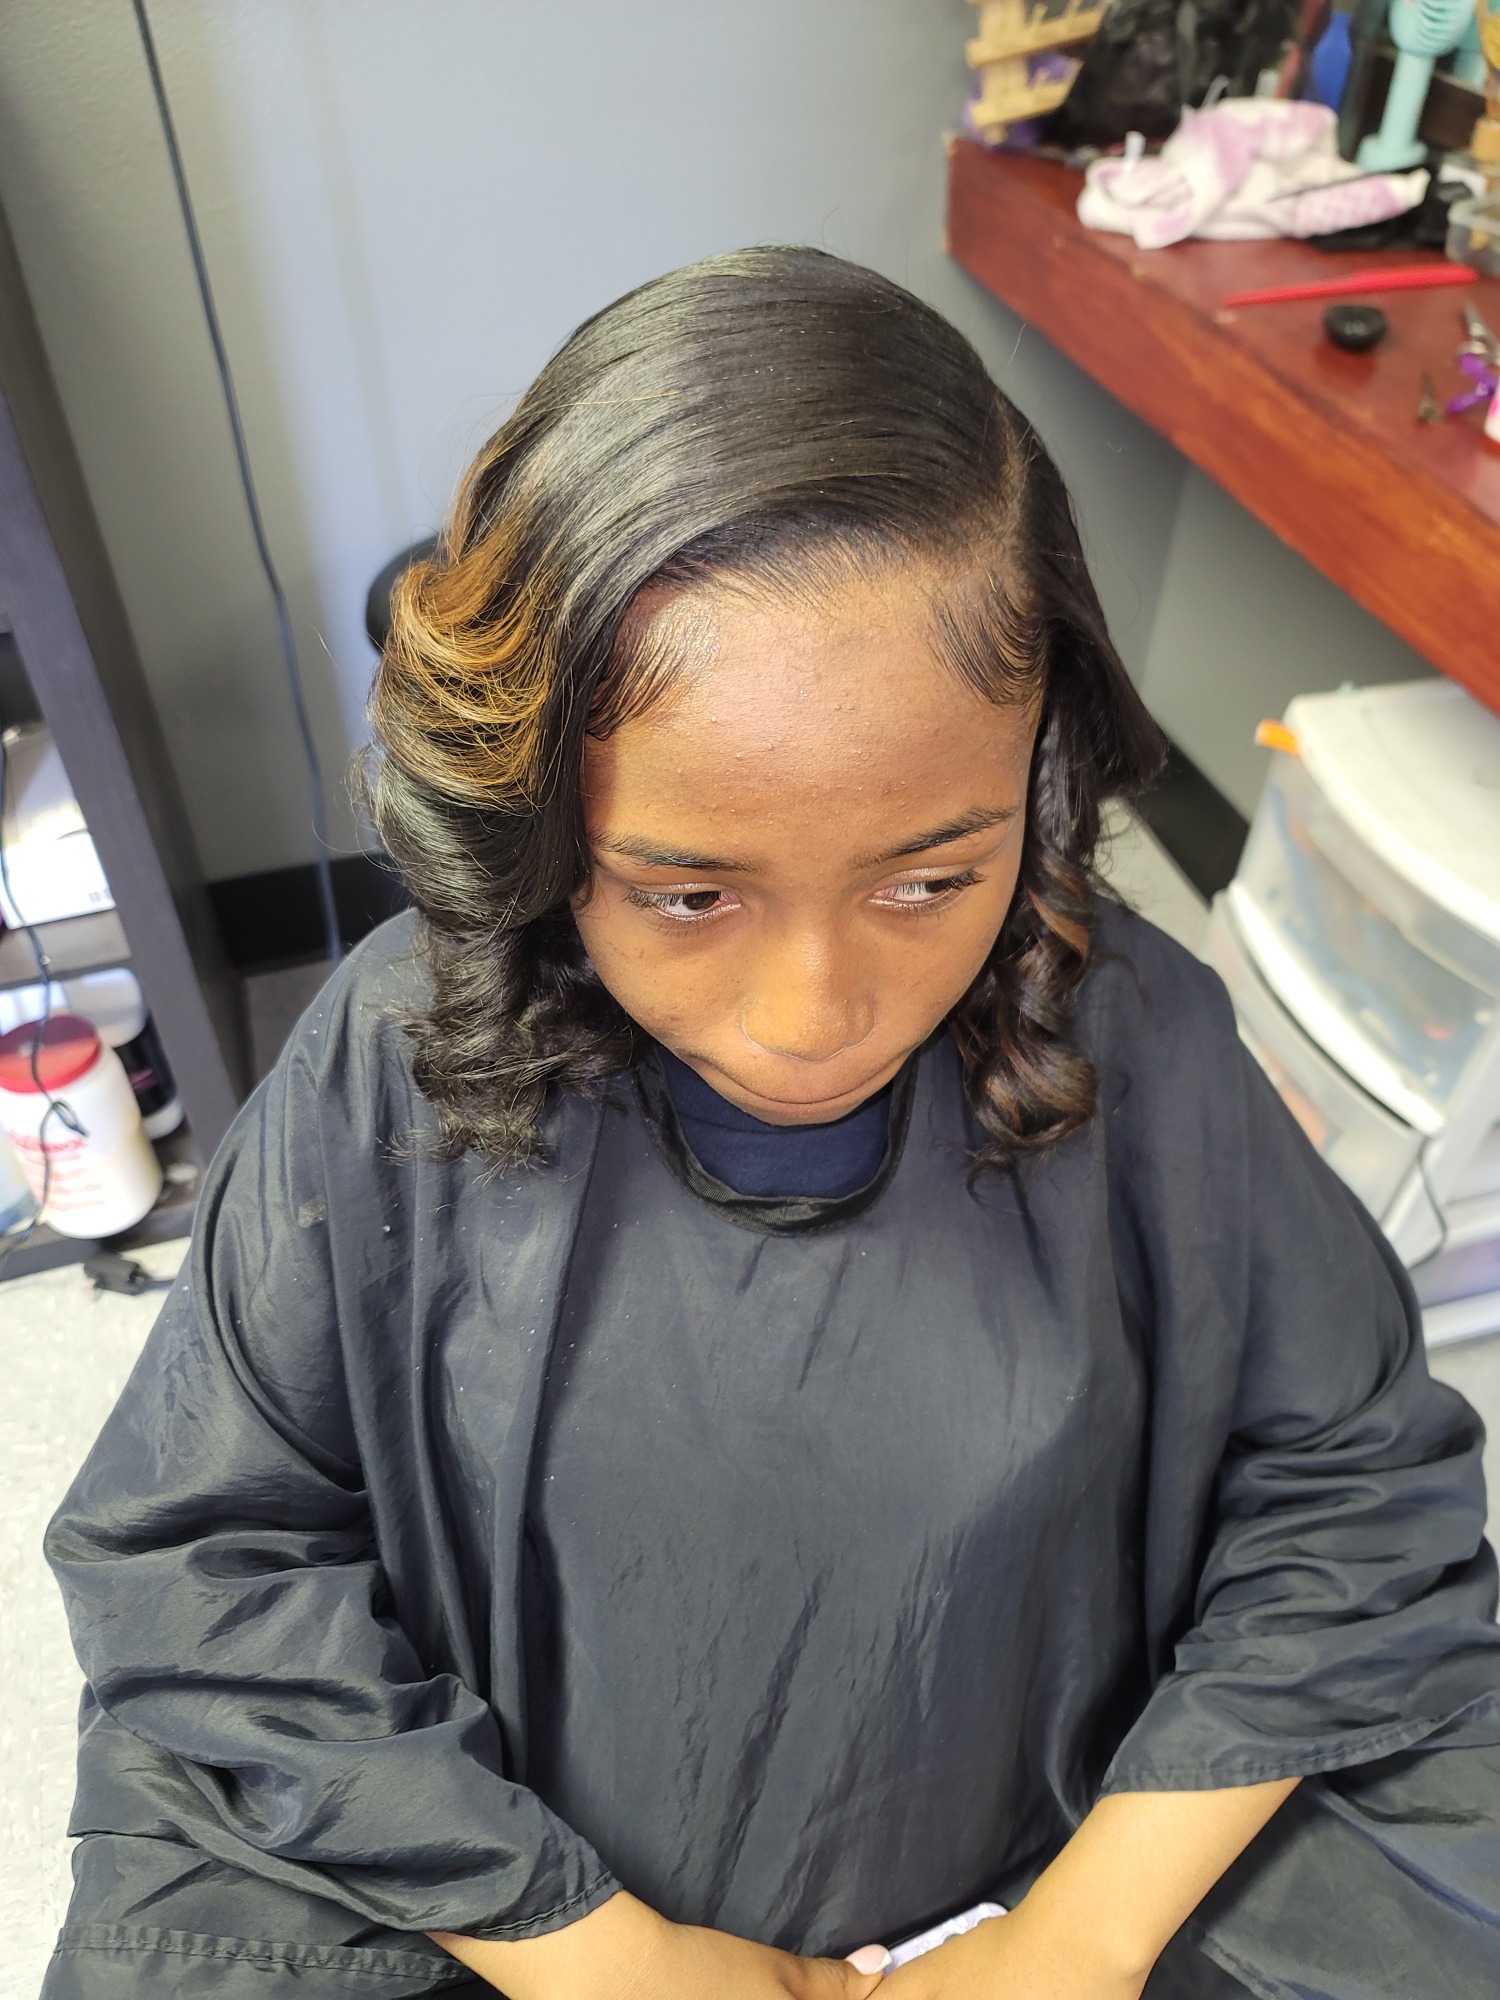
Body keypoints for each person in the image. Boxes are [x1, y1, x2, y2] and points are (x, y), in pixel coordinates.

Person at [42, 249, 1500, 2000]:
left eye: (929, 880)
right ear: (538, 818)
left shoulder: (1144, 1039)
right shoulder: (393, 1060)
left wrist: (1082, 1937)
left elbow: (1356, 1498)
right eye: (688, 896)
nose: (814, 1018)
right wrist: (588, 1953)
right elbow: (201, 1557)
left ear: (1039, 766)